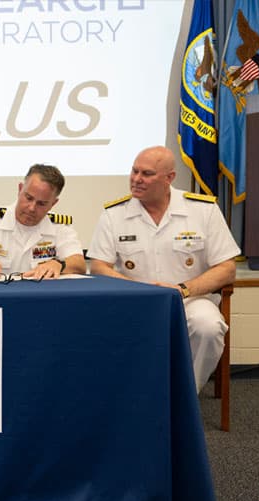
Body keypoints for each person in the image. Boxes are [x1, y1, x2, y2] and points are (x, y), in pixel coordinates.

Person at [88, 145, 240, 392]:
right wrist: (140, 290)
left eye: (146, 174)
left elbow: (227, 268)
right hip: (133, 301)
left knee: (208, 327)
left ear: (169, 178)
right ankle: (129, 397)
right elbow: (98, 266)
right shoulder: (114, 214)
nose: (136, 179)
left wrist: (182, 290)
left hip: (189, 300)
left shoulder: (202, 209)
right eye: (134, 171)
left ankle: (185, 396)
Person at [0, 163, 86, 280]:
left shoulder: (59, 225)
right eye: (28, 198)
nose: (32, 208)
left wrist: (59, 264)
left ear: (53, 203)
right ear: (20, 189)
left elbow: (79, 263)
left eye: (41, 203)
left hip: (42, 297)